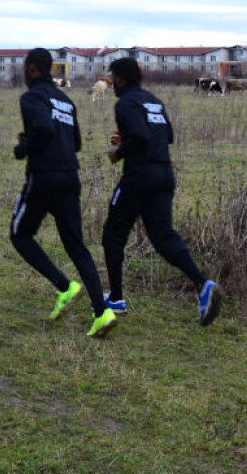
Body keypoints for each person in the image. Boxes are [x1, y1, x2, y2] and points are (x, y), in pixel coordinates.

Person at [102, 56, 221, 326]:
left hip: (139, 177)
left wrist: (118, 151)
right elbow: (166, 136)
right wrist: (130, 139)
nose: (113, 86)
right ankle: (203, 286)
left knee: (113, 234)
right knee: (163, 236)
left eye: (113, 80)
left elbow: (142, 137)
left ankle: (116, 298)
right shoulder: (154, 100)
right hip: (164, 175)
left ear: (120, 78)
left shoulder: (125, 103)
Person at [11, 48, 116, 337]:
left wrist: (24, 147)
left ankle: (65, 287)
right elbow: (77, 143)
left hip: (44, 177)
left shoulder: (31, 97)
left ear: (32, 69)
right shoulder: (67, 102)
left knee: (19, 235)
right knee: (76, 246)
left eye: (24, 69)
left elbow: (43, 130)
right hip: (70, 177)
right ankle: (101, 312)